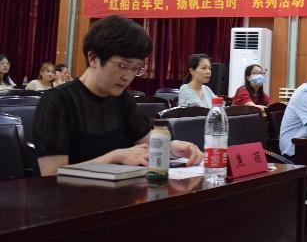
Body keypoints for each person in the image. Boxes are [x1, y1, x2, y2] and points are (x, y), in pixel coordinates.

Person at [33, 15, 203, 176]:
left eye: (136, 68)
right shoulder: (57, 101)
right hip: (70, 196)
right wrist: (114, 157)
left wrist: (172, 148)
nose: (128, 76)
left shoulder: (122, 99)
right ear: (93, 58)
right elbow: (52, 174)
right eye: (122, 65)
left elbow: (147, 142)